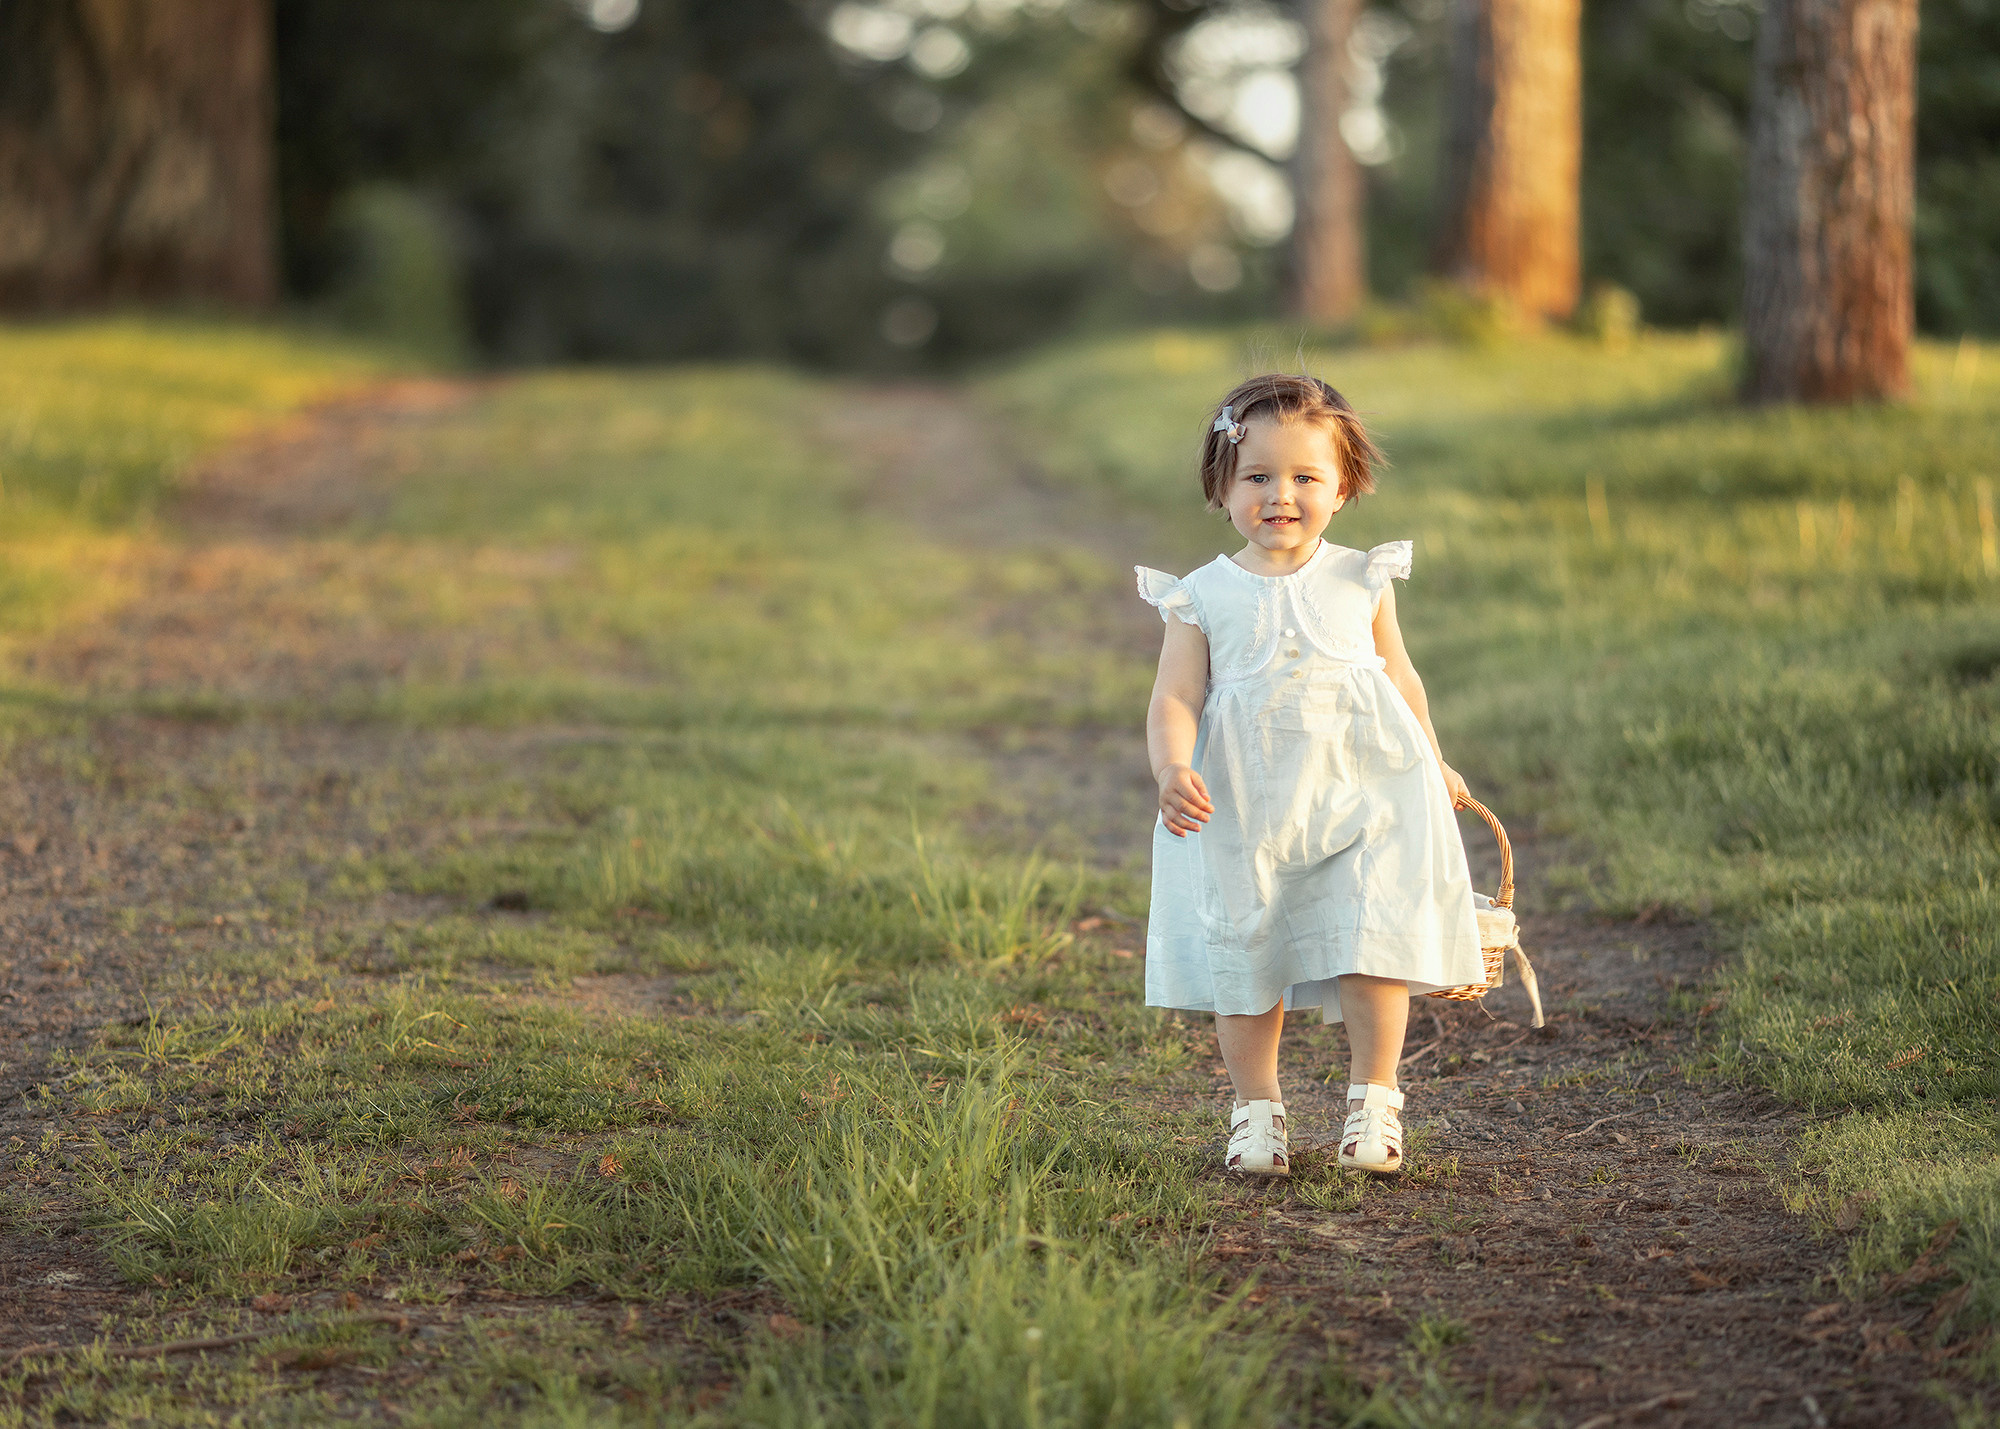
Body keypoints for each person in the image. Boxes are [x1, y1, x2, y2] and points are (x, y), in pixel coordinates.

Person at [1137, 373, 1484, 1178]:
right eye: (1257, 476)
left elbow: (1400, 677)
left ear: (1343, 486)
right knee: (1245, 950)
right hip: (1246, 805)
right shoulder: (1200, 596)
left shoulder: (1363, 577)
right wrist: (1172, 764)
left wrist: (1433, 757)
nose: (1280, 495)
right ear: (1222, 487)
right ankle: (1257, 1110)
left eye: (1304, 476)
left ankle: (1375, 1102)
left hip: (1365, 792)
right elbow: (1175, 697)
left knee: (1373, 937)